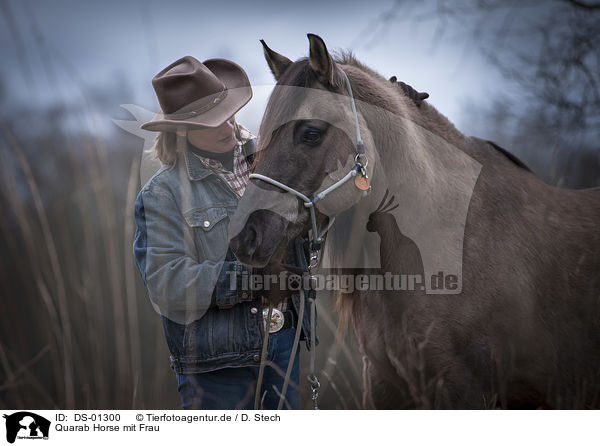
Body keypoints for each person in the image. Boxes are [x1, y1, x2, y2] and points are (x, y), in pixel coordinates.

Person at [132, 55, 314, 409]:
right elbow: (167, 283)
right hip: (216, 368)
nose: (227, 128)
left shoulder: (275, 160)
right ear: (181, 130)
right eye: (209, 122)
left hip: (285, 348)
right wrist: (249, 279)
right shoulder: (162, 194)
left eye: (226, 113)